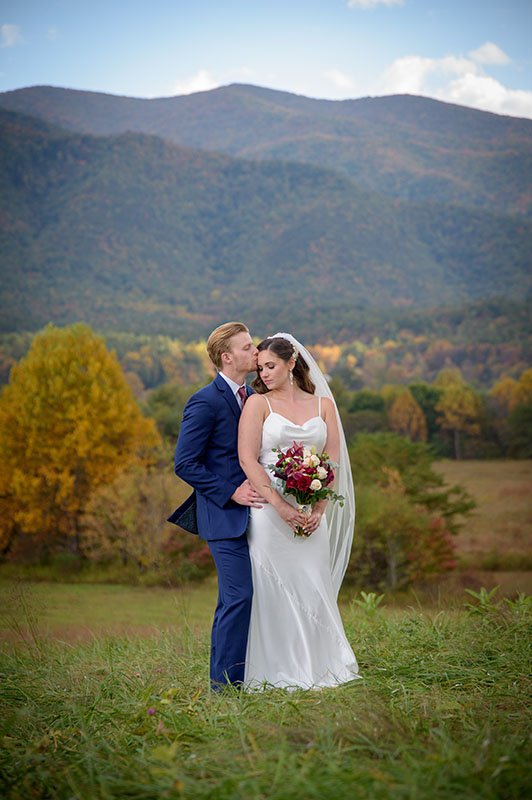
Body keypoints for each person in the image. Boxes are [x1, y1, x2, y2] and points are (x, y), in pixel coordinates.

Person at [238, 333, 361, 689]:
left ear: (292, 363)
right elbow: (248, 459)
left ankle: (321, 665)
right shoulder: (258, 404)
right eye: (260, 368)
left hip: (310, 514)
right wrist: (280, 507)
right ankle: (276, 669)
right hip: (268, 514)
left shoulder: (323, 406)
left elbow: (333, 459)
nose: (264, 375)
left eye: (271, 366)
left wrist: (319, 508)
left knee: (312, 585)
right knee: (274, 590)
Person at [168, 321, 265, 690]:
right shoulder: (204, 401)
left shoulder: (256, 396)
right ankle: (224, 688)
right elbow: (185, 463)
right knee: (238, 597)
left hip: (261, 515)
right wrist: (231, 493)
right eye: (247, 347)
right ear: (227, 357)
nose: (255, 352)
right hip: (223, 516)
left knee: (249, 597)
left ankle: (256, 675)